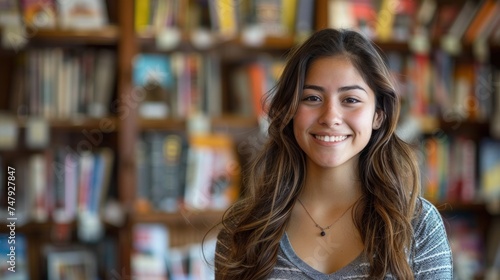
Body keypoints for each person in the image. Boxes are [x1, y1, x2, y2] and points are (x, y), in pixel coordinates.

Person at [214, 28, 453, 279]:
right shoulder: (243, 229)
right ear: (290, 111)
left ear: (378, 115)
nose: (330, 117)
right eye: (312, 98)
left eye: (350, 100)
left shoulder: (418, 224)